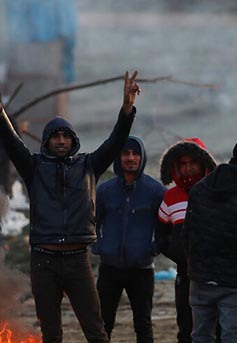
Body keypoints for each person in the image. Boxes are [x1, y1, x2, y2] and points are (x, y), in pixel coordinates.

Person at [0, 67, 141, 343]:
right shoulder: (33, 168)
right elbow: (11, 142)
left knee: (96, 330)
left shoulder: (89, 165)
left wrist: (127, 108)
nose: (61, 141)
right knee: (51, 334)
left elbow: (115, 141)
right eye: (55, 136)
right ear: (46, 141)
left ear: (73, 140)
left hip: (77, 260)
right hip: (43, 261)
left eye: (66, 136)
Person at [182, 136, 237, 343]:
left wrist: (194, 268)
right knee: (232, 337)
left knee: (200, 336)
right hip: (235, 283)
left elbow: (187, 235)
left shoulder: (200, 189)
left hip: (201, 279)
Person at [93, 135, 166, 343]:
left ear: (142, 157)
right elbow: (91, 222)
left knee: (143, 324)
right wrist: (99, 246)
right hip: (109, 268)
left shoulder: (155, 191)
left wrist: (154, 248)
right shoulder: (105, 191)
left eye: (135, 153)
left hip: (141, 270)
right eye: (126, 153)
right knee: (102, 324)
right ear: (119, 157)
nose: (130, 158)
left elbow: (165, 226)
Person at [156, 138, 218, 343]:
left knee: (218, 329)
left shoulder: (217, 193)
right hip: (185, 275)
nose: (189, 167)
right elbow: (161, 234)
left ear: (203, 163)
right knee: (186, 329)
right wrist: (177, 254)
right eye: (183, 163)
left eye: (193, 162)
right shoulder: (170, 197)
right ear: (176, 166)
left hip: (217, 274)